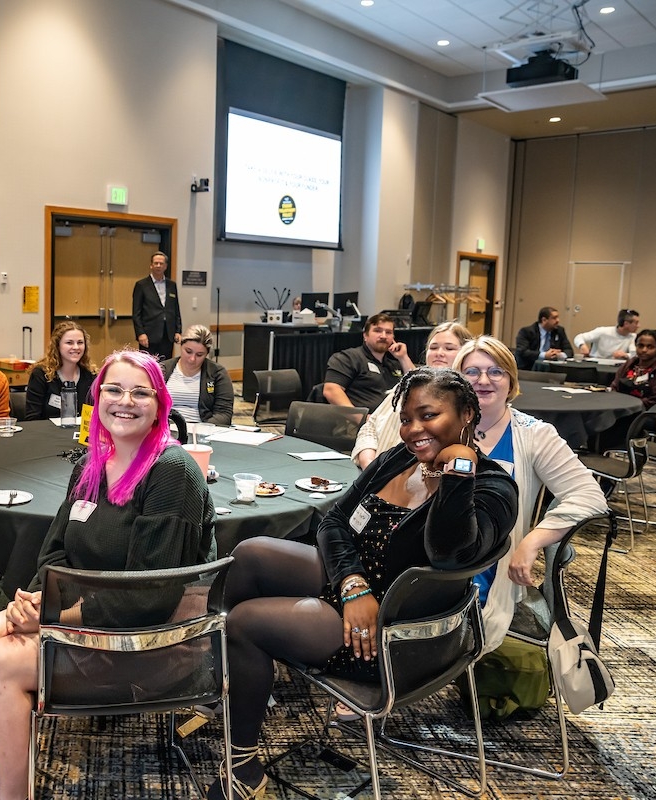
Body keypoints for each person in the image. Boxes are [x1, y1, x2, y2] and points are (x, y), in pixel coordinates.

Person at [207, 367, 517, 799]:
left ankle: (244, 765)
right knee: (251, 553)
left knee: (245, 622)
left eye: (428, 416)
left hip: (390, 634)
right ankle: (233, 683)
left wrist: (458, 470)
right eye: (406, 418)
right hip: (358, 592)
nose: (413, 430)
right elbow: (334, 521)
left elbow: (450, 553)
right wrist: (353, 584)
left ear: (467, 413)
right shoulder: (399, 457)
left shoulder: (495, 490)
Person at [0, 349, 216, 800]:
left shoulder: (172, 472)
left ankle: (13, 792)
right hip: (80, 611)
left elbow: (151, 594)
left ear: (160, 405)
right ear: (97, 398)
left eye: (141, 392)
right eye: (114, 390)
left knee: (0, 663)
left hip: (145, 636)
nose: (125, 401)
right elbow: (54, 550)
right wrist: (37, 599)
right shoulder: (93, 463)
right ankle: (15, 757)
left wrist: (58, 616)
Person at [454, 336, 607, 654]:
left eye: (496, 372)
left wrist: (532, 542)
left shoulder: (534, 435)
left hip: (485, 570)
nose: (484, 380)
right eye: (472, 372)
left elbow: (589, 496)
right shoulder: (441, 425)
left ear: (510, 382)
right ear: (457, 380)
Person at [352, 320, 474, 468]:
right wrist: (369, 463)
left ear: (465, 354)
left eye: (449, 348)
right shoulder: (406, 389)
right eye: (433, 347)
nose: (439, 353)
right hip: (376, 475)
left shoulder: (465, 402)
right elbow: (370, 427)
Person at [322, 313, 415, 411]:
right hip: (361, 422)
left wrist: (403, 357)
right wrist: (360, 417)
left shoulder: (394, 364)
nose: (383, 336)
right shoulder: (348, 358)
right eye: (378, 331)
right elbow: (331, 390)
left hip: (393, 421)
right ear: (365, 335)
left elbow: (418, 386)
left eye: (388, 332)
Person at [609, 328, 656, 437]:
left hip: (652, 414)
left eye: (650, 347)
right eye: (640, 345)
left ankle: (618, 449)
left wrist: (630, 405)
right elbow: (615, 386)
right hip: (622, 409)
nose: (644, 350)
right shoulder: (629, 365)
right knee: (600, 416)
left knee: (616, 420)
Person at [160, 324, 234, 426]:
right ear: (181, 346)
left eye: (199, 355)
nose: (192, 359)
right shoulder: (162, 370)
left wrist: (201, 431)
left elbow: (223, 414)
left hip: (201, 432)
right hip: (165, 430)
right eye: (188, 351)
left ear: (207, 354)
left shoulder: (217, 373)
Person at [23, 320, 96, 422]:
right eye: (69, 343)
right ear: (57, 346)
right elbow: (32, 419)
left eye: (80, 342)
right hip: (48, 435)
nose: (76, 347)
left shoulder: (90, 376)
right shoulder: (41, 374)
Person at [131, 251, 181, 360]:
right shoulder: (141, 285)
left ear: (165, 266)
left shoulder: (172, 285)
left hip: (167, 334)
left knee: (166, 366)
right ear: (151, 265)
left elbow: (176, 309)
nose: (158, 266)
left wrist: (178, 330)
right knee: (148, 366)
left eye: (161, 263)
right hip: (148, 335)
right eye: (156, 263)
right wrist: (140, 333)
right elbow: (136, 313)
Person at [513, 306, 572, 370]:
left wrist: (558, 355)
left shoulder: (559, 331)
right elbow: (522, 352)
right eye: (554, 318)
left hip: (552, 369)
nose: (558, 320)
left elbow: (569, 350)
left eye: (558, 317)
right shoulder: (526, 331)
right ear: (544, 320)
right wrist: (544, 355)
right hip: (529, 368)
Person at [574, 308, 639, 359]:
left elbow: (635, 355)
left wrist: (626, 355)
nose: (638, 326)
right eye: (636, 323)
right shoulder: (603, 331)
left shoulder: (633, 336)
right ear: (626, 324)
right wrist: (582, 345)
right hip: (597, 364)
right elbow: (579, 337)